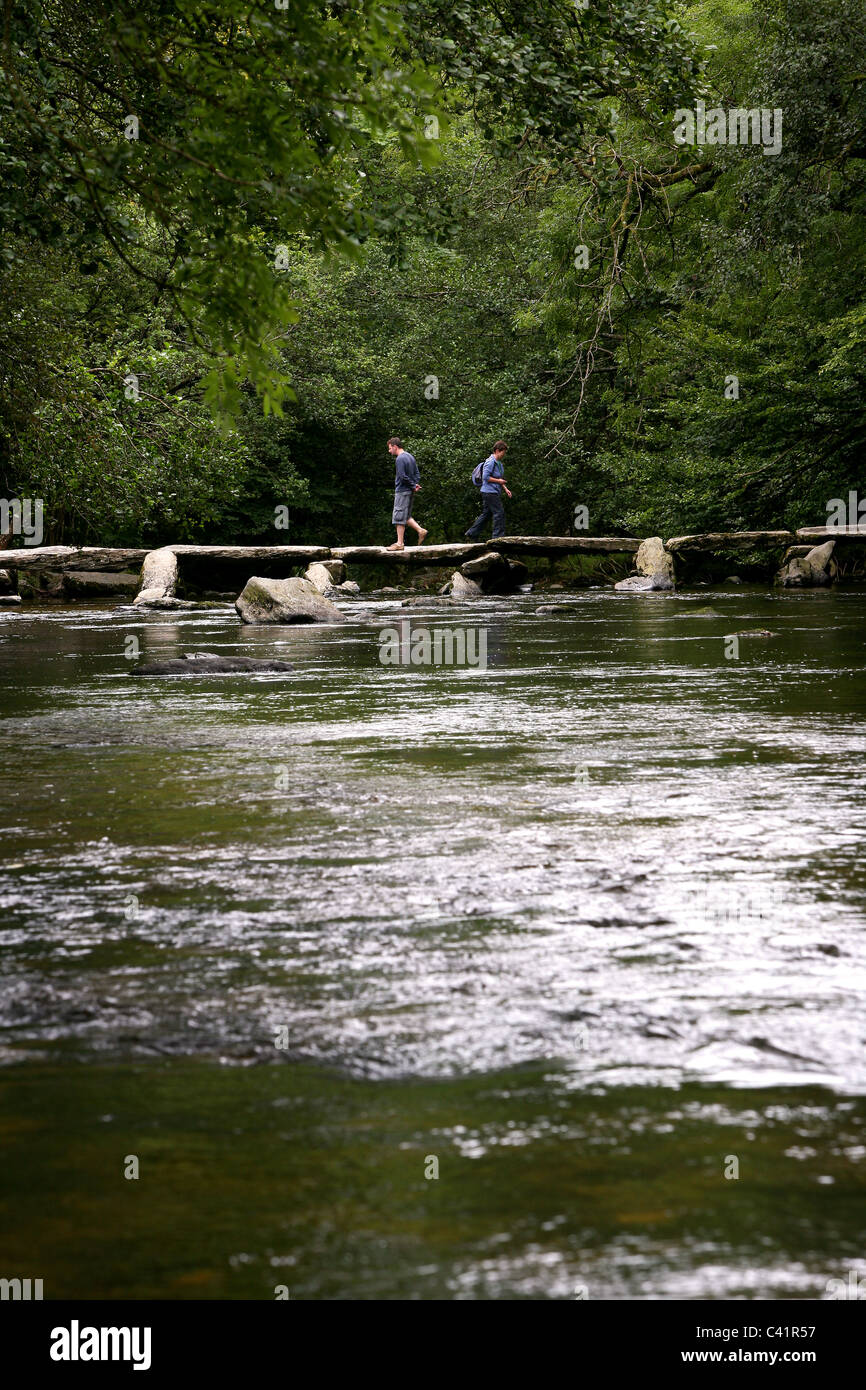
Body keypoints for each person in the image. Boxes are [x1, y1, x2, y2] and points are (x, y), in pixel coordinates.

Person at [386, 436, 428, 551]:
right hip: (409, 491)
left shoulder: (400, 459)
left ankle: (399, 543)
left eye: (390, 448)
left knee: (399, 517)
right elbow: (417, 473)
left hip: (402, 491)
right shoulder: (410, 457)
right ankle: (421, 530)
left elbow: (402, 476)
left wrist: (413, 485)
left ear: (395, 446)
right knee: (406, 516)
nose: (389, 451)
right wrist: (415, 484)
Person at [465, 441, 511, 540]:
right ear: (498, 450)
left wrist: (506, 489)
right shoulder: (490, 461)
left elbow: (499, 478)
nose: (504, 454)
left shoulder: (499, 463)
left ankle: (472, 533)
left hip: (492, 491)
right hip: (489, 492)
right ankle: (497, 537)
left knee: (487, 513)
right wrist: (499, 481)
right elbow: (486, 477)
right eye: (503, 452)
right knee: (499, 512)